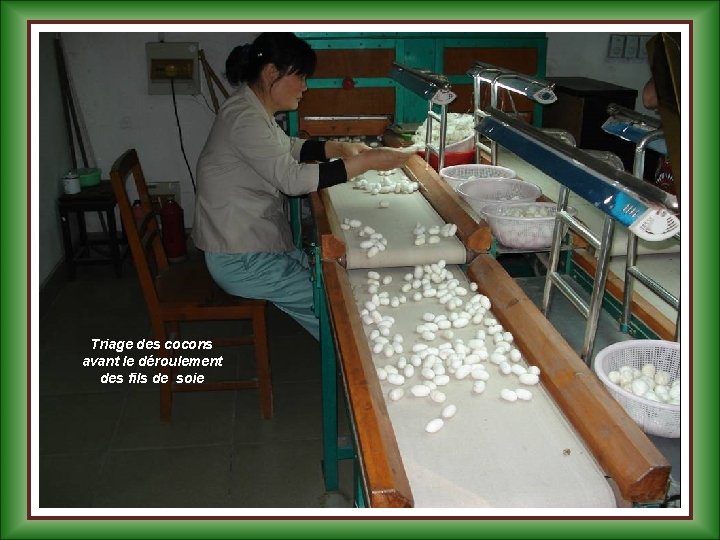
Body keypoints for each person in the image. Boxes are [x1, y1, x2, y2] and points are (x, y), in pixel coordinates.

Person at [192, 33, 411, 340]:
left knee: (331, 280)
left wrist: (336, 149)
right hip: (241, 258)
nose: (305, 88)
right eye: (301, 77)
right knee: (336, 305)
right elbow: (292, 180)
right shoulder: (244, 118)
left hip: (255, 245)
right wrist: (367, 163)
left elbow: (288, 148)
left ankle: (355, 349)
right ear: (272, 73)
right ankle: (364, 368)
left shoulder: (250, 107)